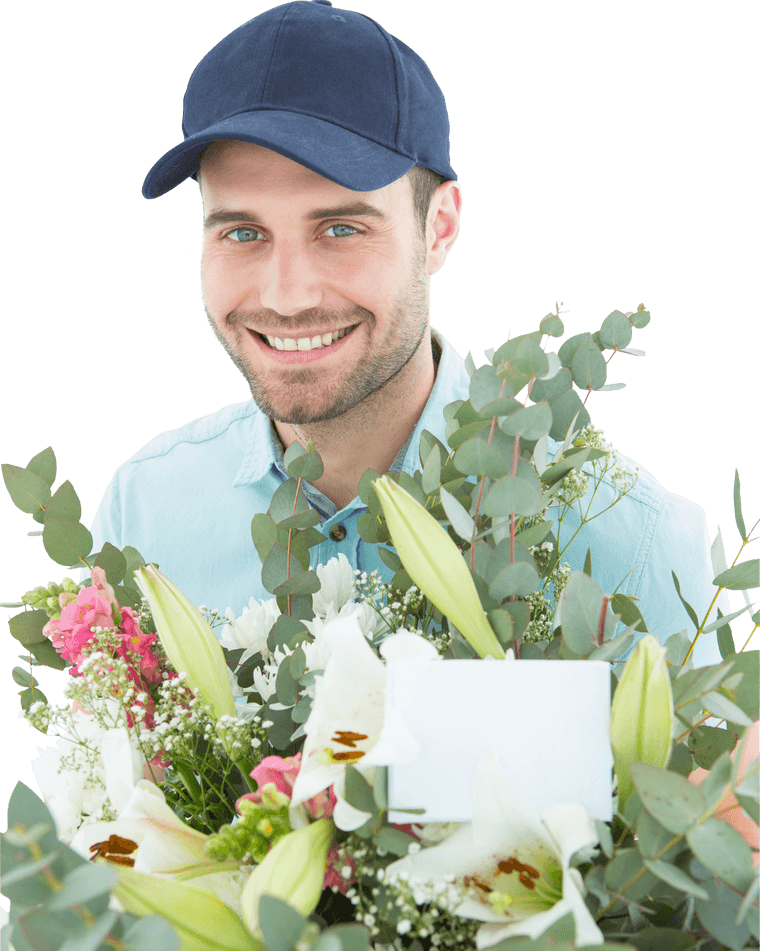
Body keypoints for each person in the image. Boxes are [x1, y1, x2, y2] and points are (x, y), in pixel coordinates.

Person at [89, 0, 726, 675]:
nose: (286, 295)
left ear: (440, 227)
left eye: (341, 229)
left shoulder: (631, 543)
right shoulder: (143, 513)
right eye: (242, 232)